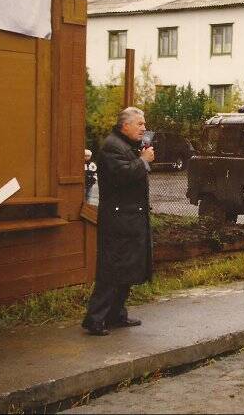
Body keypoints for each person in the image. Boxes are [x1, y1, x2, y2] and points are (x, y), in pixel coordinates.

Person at [82, 107, 155, 336]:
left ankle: (116, 314)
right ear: (126, 125)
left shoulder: (125, 145)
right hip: (118, 219)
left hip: (128, 217)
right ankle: (95, 319)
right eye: (140, 124)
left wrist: (140, 158)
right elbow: (122, 176)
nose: (144, 128)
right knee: (113, 269)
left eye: (144, 124)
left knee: (127, 268)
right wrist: (143, 161)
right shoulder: (112, 146)